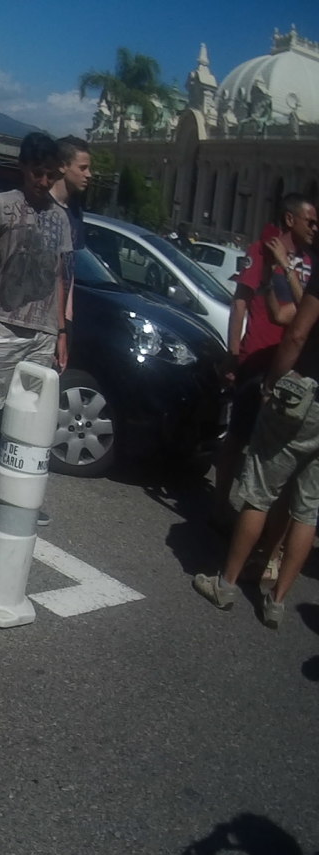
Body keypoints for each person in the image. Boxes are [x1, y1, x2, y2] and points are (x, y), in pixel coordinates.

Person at [193, 268, 319, 629]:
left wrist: (272, 384)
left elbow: (295, 333)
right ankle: (277, 601)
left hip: (304, 398)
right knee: (308, 510)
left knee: (260, 493)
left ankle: (227, 584)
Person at [215, 195, 317, 514]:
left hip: (291, 365)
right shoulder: (261, 251)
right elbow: (240, 302)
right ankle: (219, 505)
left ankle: (259, 518)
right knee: (239, 435)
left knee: (275, 451)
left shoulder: (311, 262)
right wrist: (234, 352)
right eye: (310, 222)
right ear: (290, 219)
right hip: (257, 359)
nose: (315, 228)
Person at [0, 132, 72, 424]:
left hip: (43, 332)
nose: (43, 182)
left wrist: (61, 332)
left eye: (50, 176)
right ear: (23, 167)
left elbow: (58, 275)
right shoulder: (2, 204)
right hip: (4, 324)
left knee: (28, 414)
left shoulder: (60, 217)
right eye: (38, 173)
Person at [50, 135, 92, 337]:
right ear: (62, 166)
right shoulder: (41, 206)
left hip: (61, 320)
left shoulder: (75, 210)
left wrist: (67, 319)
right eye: (83, 168)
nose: (89, 174)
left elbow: (70, 268)